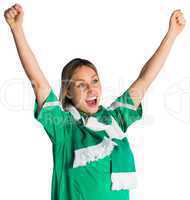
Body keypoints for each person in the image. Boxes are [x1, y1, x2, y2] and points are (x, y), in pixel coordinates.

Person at [4, 3, 186, 200]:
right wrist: (17, 29)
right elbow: (39, 84)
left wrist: (172, 35)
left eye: (95, 81)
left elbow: (144, 80)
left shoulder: (114, 119)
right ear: (68, 93)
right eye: (81, 85)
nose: (91, 89)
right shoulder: (64, 128)